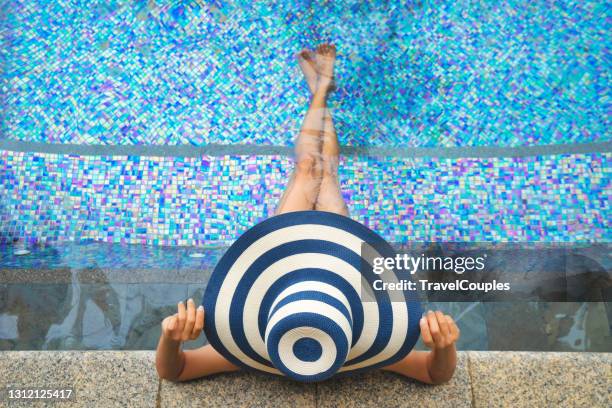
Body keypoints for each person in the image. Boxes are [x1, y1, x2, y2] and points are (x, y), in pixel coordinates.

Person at [156, 44, 459, 384]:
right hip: (345, 277)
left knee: (306, 169)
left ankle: (320, 90)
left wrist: (170, 338)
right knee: (324, 173)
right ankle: (322, 89)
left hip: (281, 270)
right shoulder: (352, 344)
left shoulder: (263, 344)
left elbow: (175, 371)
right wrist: (444, 347)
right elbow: (436, 374)